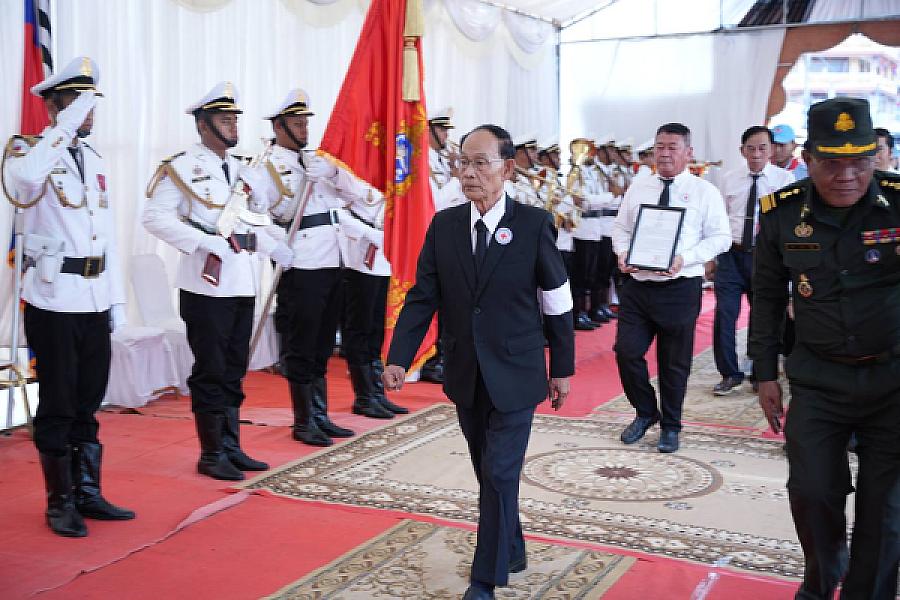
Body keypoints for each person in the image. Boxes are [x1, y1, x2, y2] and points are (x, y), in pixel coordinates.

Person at [381, 125, 575, 600]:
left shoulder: (532, 224)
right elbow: (423, 297)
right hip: (466, 372)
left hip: (518, 371)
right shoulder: (445, 225)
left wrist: (562, 366)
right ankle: (511, 546)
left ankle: (484, 580)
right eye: (462, 163)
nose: (468, 173)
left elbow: (556, 298)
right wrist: (399, 358)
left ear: (508, 168)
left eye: (480, 163)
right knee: (487, 469)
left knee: (499, 473)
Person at [750, 97, 900, 600]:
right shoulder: (782, 214)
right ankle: (822, 576)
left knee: (885, 511)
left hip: (894, 379)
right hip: (819, 379)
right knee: (813, 494)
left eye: (859, 160)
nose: (847, 174)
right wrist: (764, 372)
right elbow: (768, 296)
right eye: (832, 162)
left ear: (875, 156)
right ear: (808, 159)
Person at [3, 57, 135, 537]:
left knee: (88, 401)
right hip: (54, 299)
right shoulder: (30, 151)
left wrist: (117, 302)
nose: (90, 111)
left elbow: (108, 236)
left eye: (91, 102)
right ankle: (59, 501)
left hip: (95, 296)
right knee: (58, 402)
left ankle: (87, 490)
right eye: (80, 101)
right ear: (56, 104)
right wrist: (62, 128)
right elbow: (25, 180)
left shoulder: (95, 161)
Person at [143, 82, 288, 479]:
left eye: (235, 117)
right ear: (204, 125)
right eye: (225, 118)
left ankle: (231, 445)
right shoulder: (182, 167)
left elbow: (252, 219)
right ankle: (211, 453)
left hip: (242, 282)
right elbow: (154, 218)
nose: (233, 124)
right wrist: (206, 243)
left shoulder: (243, 168)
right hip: (205, 286)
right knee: (210, 369)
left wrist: (276, 243)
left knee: (234, 367)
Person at [611, 122, 731, 453]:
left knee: (673, 362)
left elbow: (721, 237)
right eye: (659, 146)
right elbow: (620, 229)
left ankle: (671, 426)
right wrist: (623, 253)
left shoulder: (705, 192)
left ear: (688, 153)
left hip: (679, 286)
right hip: (638, 285)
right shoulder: (639, 188)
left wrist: (687, 258)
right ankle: (646, 411)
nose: (664, 153)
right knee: (626, 352)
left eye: (672, 147)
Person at [711, 126, 794, 395]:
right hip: (731, 254)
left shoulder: (784, 179)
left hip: (765, 257)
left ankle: (761, 373)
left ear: (771, 150)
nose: (756, 154)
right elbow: (720, 219)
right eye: (751, 148)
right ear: (742, 151)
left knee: (763, 317)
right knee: (725, 314)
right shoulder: (729, 179)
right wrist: (713, 258)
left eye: (762, 148)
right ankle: (729, 373)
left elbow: (787, 224)